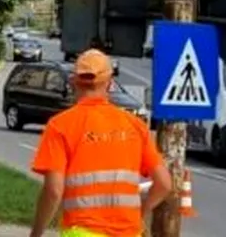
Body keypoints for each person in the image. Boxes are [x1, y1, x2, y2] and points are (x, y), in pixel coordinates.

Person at [28, 49, 172, 237]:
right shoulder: (135, 126)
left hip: (82, 231)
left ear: (74, 82)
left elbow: (54, 190)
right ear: (110, 84)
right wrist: (141, 213)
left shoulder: (60, 126)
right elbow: (164, 184)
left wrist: (36, 233)